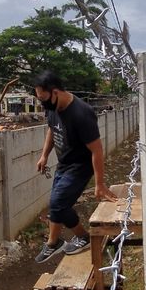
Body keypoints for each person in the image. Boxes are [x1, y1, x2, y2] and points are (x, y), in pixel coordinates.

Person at [33, 71, 117, 263]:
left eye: (44, 98)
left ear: (55, 92)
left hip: (80, 166)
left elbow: (97, 150)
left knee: (58, 204)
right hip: (64, 163)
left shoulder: (81, 113)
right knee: (57, 204)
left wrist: (100, 183)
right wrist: (44, 155)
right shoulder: (52, 106)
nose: (42, 104)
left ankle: (83, 236)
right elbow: (52, 129)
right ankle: (53, 242)